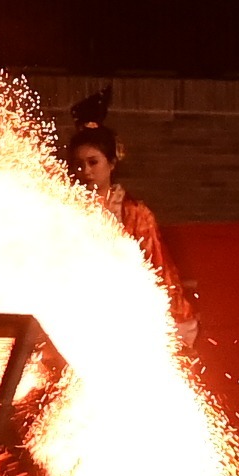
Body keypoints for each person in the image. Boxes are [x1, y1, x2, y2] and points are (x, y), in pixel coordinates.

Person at [62, 91, 193, 328]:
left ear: (111, 163)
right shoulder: (62, 210)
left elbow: (159, 269)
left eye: (93, 162)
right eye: (79, 165)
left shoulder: (135, 214)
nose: (86, 171)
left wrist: (179, 319)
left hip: (126, 314)